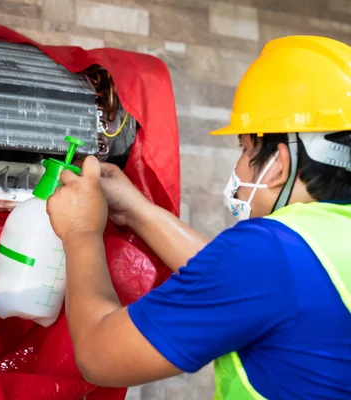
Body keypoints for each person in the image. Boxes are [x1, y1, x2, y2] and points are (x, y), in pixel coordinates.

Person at [46, 35, 351, 399]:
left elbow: (98, 353)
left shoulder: (270, 255)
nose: (238, 166)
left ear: (277, 166)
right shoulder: (322, 246)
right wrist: (136, 209)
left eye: (245, 148)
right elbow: (240, 284)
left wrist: (81, 232)